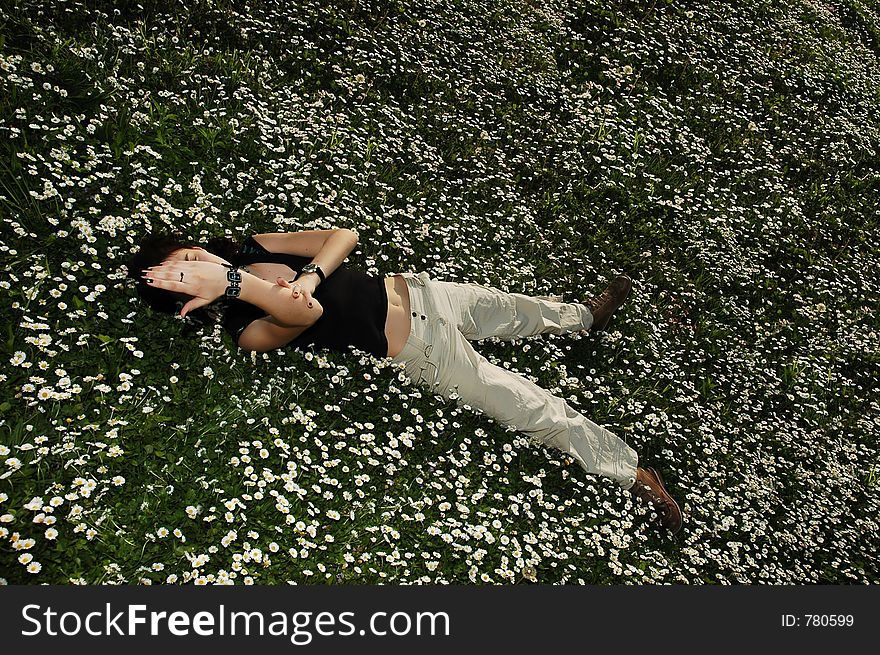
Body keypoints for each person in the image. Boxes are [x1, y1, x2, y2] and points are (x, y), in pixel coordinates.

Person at [127, 228, 683, 533]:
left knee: (517, 311)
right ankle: (628, 470)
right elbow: (306, 316)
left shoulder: (254, 246)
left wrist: (309, 272)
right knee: (532, 407)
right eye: (188, 274)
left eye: (194, 255)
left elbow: (340, 236)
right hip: (425, 351)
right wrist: (232, 284)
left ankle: (583, 318)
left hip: (420, 292)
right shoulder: (246, 327)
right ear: (189, 302)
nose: (202, 263)